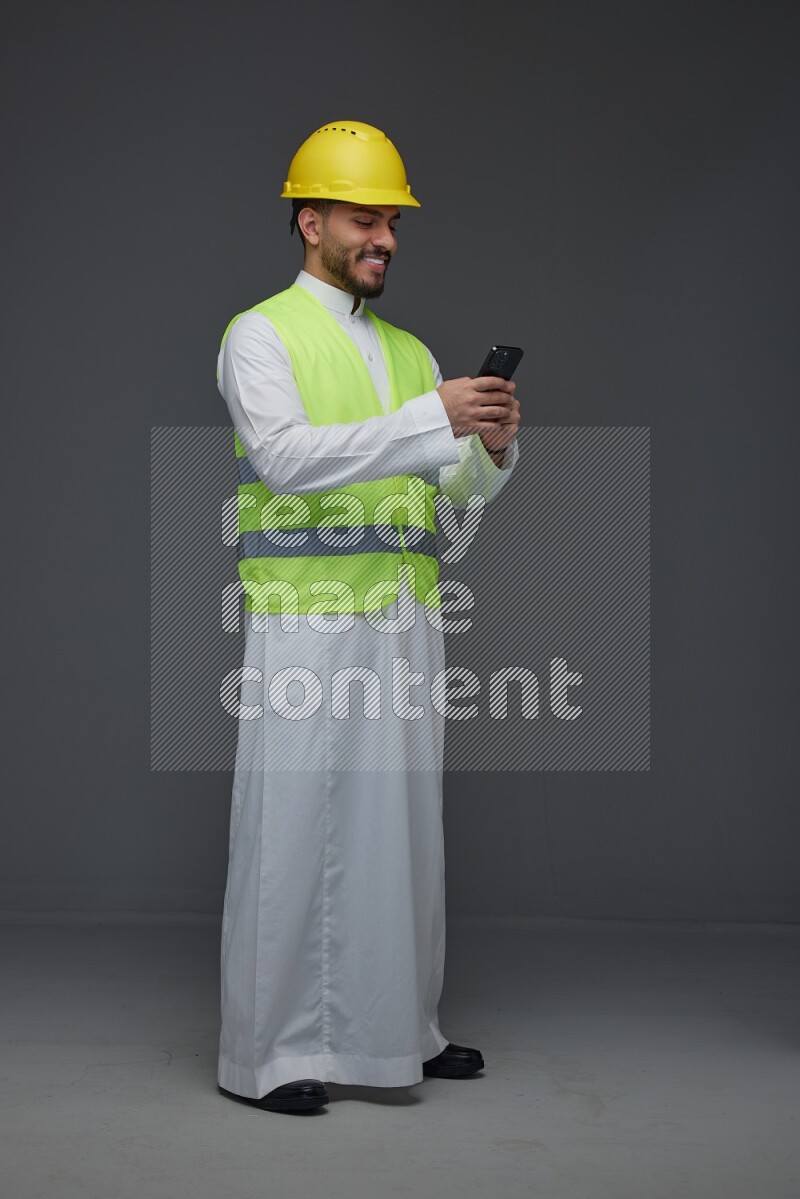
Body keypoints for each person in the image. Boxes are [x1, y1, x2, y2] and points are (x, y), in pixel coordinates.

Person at [215, 120, 521, 1114]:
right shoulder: (260, 334)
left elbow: (452, 491)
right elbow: (288, 460)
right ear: (310, 221)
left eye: (391, 221)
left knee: (401, 835)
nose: (382, 237)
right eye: (363, 218)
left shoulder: (408, 351)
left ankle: (400, 1033)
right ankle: (263, 1056)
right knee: (293, 827)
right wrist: (433, 413)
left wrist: (488, 442)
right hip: (305, 621)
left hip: (401, 619)